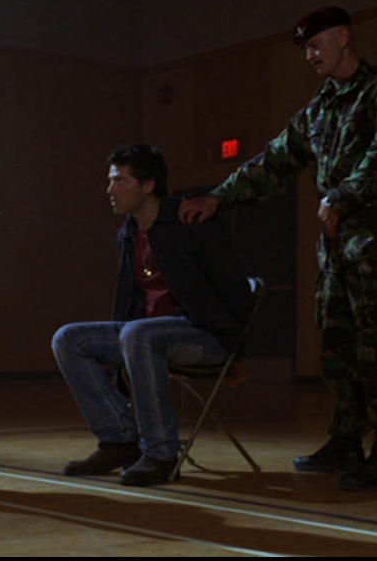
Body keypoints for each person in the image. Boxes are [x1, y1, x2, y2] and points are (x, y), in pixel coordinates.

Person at [179, 7, 377, 492]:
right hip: (335, 251)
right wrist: (219, 197)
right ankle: (347, 440)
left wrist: (340, 197)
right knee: (337, 349)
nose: (309, 56)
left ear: (343, 38)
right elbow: (273, 162)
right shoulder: (318, 109)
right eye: (305, 49)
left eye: (314, 45)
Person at [52, 145, 254, 486]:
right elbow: (129, 306)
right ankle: (119, 441)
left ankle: (160, 453)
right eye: (111, 181)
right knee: (69, 339)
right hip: (146, 336)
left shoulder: (190, 221)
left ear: (148, 185)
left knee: (139, 334)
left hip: (204, 334)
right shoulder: (128, 233)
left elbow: (235, 291)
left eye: (120, 181)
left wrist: (235, 351)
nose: (110, 190)